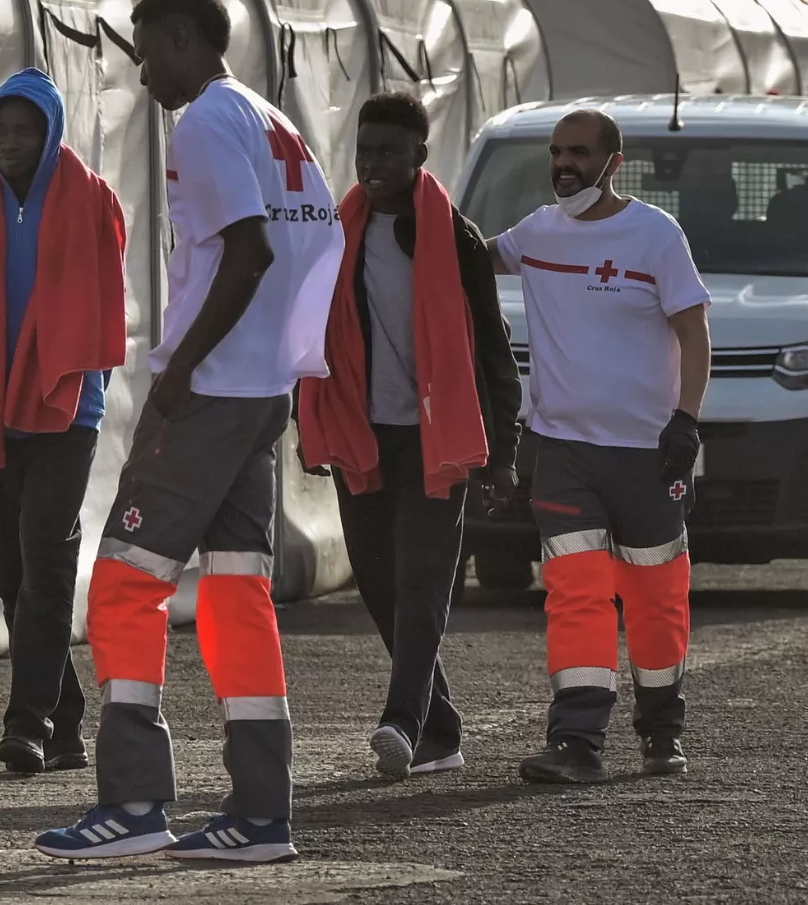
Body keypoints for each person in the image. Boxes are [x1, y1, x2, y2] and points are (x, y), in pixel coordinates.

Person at [35, 0, 343, 863]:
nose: (140, 73)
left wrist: (186, 373)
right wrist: (285, 358)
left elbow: (247, 252)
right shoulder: (271, 120)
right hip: (260, 393)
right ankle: (259, 814)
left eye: (145, 51)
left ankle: (132, 807)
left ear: (178, 38)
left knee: (126, 583)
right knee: (239, 593)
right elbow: (318, 243)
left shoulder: (205, 121)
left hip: (213, 393)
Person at [297, 92, 521, 780]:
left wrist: (503, 454)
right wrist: (306, 418)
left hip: (436, 436)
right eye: (364, 150)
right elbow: (312, 331)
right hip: (364, 435)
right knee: (378, 584)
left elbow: (493, 345)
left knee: (422, 580)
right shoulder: (341, 232)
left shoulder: (454, 239)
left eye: (389, 152)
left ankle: (401, 719)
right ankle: (441, 730)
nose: (373, 164)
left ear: (420, 156)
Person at [487, 109, 711, 784]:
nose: (564, 165)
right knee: (575, 591)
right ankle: (576, 740)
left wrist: (687, 421)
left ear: (614, 162)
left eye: (579, 153)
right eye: (556, 152)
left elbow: (695, 334)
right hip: (561, 450)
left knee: (654, 593)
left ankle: (661, 730)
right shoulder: (536, 233)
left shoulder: (655, 236)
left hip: (648, 453)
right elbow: (465, 259)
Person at [0, 67, 127, 776]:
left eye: (26, 130)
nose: (11, 143)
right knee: (13, 571)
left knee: (46, 558)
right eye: (1, 130)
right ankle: (69, 723)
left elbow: (109, 298)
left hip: (64, 406)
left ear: (50, 133)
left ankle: (29, 722)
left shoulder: (91, 199)